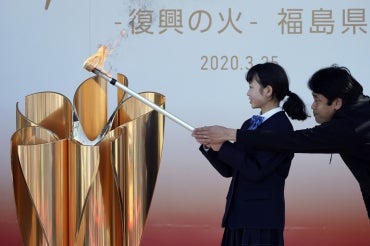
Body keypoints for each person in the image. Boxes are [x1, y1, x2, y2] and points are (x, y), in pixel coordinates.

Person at [192, 64, 370, 220]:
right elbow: (230, 168)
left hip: (261, 219)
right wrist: (216, 145)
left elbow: (290, 142)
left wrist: (230, 134)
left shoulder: (351, 126)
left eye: (317, 100)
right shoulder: (360, 110)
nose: (313, 106)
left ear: (337, 103)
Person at [195, 62, 309, 246]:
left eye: (251, 87)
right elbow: (229, 170)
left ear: (268, 90)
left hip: (260, 220)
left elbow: (256, 170)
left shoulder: (280, 127)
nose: (247, 93)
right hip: (238, 216)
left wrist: (223, 145)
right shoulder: (250, 123)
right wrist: (210, 145)